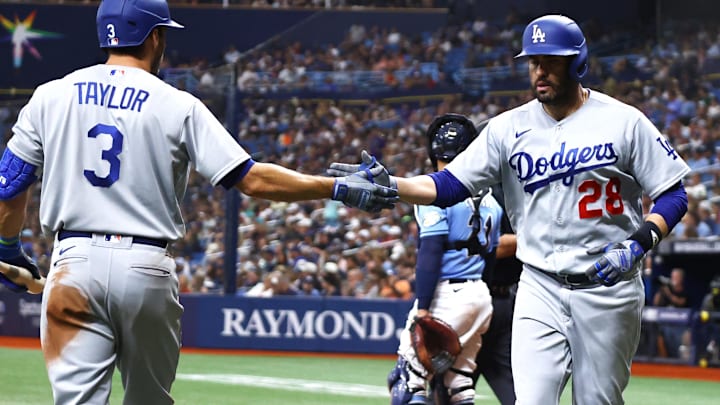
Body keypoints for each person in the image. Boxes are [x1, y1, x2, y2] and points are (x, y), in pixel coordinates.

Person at [0, 1, 395, 404]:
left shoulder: (49, 96)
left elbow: (10, 187)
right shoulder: (178, 104)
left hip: (73, 265)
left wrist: (9, 249)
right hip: (145, 266)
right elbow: (253, 180)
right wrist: (337, 188)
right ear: (155, 37)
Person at [333, 14, 690, 404]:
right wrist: (396, 186)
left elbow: (674, 194)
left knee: (597, 401)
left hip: (609, 288)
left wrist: (638, 244)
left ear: (578, 63)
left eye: (551, 61)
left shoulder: (624, 122)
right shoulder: (507, 128)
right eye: (534, 62)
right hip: (540, 286)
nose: (540, 71)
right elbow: (449, 184)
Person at [386, 114, 500, 405]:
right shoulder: (490, 200)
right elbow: (490, 257)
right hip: (480, 296)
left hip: (446, 295)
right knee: (458, 385)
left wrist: (423, 308)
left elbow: (431, 250)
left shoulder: (432, 191)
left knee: (407, 381)